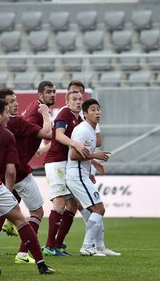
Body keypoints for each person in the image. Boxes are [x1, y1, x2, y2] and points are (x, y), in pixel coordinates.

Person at [0, 97, 55, 275]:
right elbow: (11, 170)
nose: (11, 112)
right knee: (25, 217)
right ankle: (37, 262)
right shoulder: (8, 131)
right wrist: (8, 192)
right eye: (8, 107)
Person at [65, 98, 120, 256]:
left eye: (98, 109)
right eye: (93, 110)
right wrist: (97, 156)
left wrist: (93, 163)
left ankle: (100, 247)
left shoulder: (90, 129)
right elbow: (74, 155)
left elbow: (86, 152)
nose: (97, 112)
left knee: (94, 211)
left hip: (82, 175)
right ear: (85, 114)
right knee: (99, 209)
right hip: (76, 176)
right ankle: (87, 246)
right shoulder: (82, 130)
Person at [43, 90, 90, 256]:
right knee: (60, 202)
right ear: (67, 102)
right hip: (56, 163)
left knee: (73, 204)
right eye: (74, 99)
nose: (78, 102)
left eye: (80, 99)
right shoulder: (64, 113)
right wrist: (76, 144)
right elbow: (59, 135)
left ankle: (56, 244)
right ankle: (49, 246)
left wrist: (93, 161)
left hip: (67, 164)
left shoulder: (79, 119)